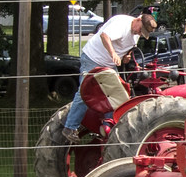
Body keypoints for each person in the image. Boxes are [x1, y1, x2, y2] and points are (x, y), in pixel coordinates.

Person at [62, 13, 158, 143]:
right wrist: (113, 53)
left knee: (116, 94)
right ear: (138, 20)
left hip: (109, 64)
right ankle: (70, 127)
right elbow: (104, 35)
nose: (139, 33)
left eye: (142, 32)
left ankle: (109, 126)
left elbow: (128, 48)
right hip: (93, 59)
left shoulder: (135, 34)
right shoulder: (121, 24)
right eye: (140, 30)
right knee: (85, 92)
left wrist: (125, 57)